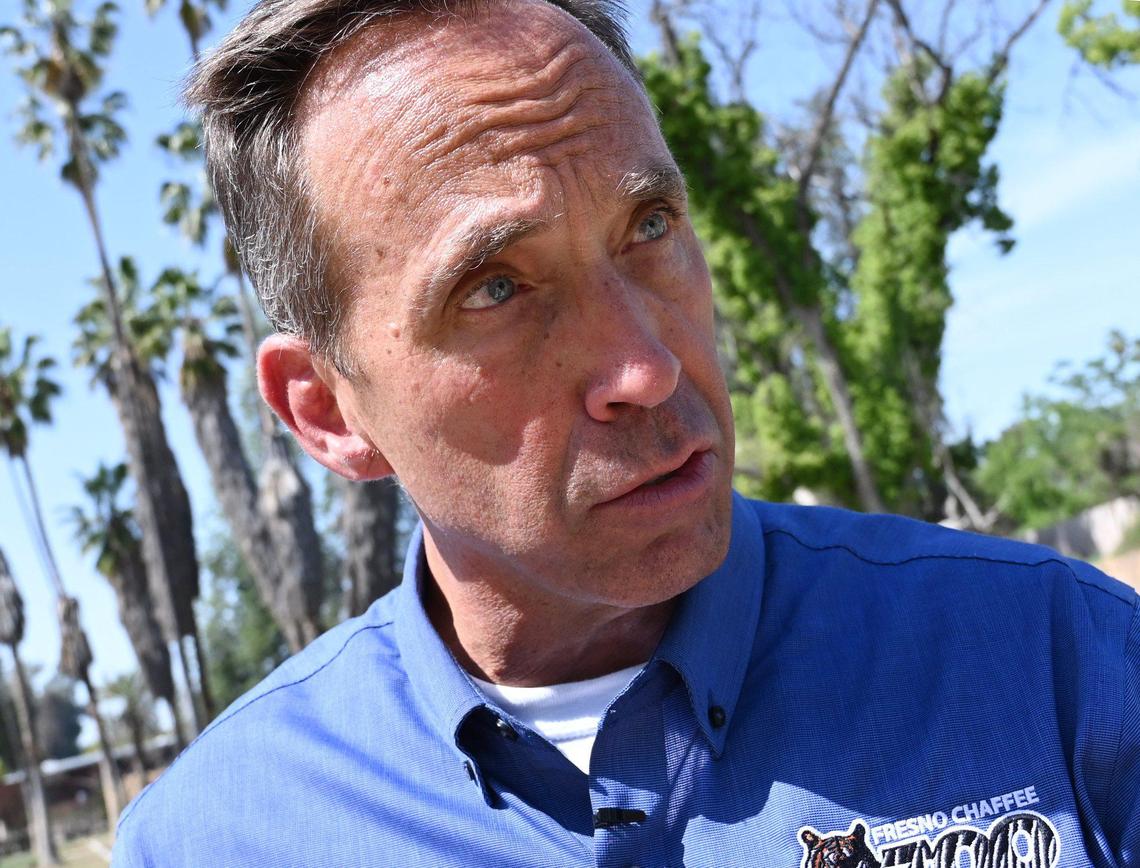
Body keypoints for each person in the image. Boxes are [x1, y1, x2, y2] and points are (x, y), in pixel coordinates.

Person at [112, 1, 1139, 865]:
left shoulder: (1057, 667)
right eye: (497, 288)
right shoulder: (217, 837)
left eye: (648, 229)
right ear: (327, 412)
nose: (645, 366)